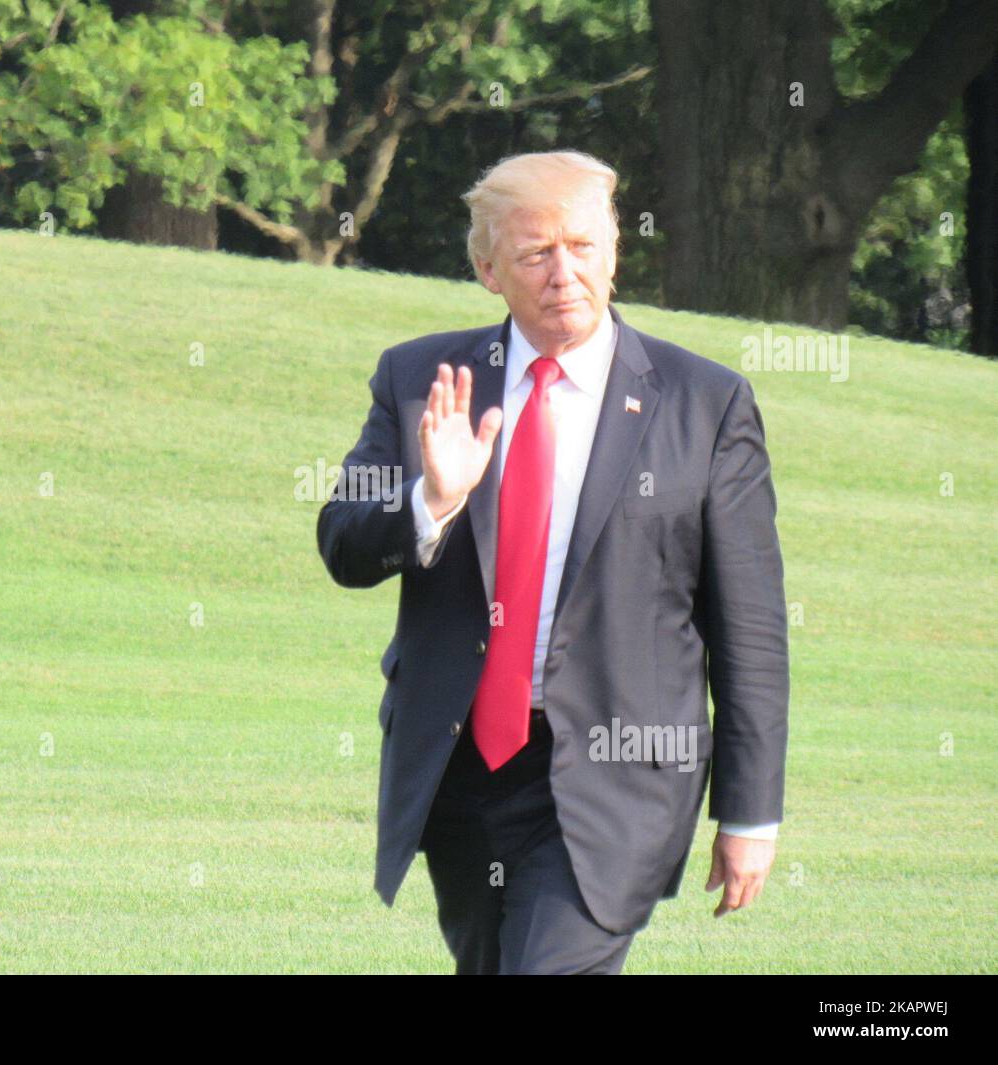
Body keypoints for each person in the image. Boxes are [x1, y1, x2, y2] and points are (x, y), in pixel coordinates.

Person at [315, 150, 789, 974]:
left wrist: (750, 812)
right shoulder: (420, 378)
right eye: (536, 252)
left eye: (582, 246)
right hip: (462, 769)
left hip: (620, 773)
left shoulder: (704, 404)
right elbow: (344, 543)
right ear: (488, 269)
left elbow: (748, 627)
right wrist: (431, 500)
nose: (563, 272)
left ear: (615, 251)